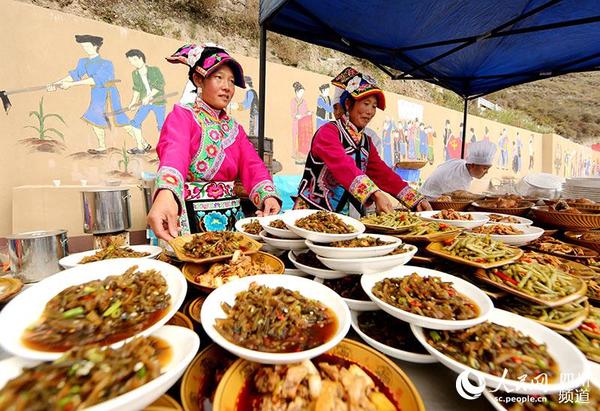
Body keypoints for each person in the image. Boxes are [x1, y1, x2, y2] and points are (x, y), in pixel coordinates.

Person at [147, 43, 281, 241]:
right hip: (189, 220)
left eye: (232, 81)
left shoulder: (235, 130)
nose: (227, 87)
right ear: (198, 79)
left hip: (232, 221)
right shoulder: (183, 116)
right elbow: (175, 152)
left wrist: (267, 196)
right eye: (219, 78)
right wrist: (167, 192)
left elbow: (252, 165)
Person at [294, 70, 431, 216]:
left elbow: (383, 174)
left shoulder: (366, 142)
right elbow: (343, 165)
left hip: (339, 219)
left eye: (374, 106)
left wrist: (415, 199)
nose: (370, 111)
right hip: (310, 214)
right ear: (348, 104)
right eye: (366, 103)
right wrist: (375, 193)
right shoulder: (328, 132)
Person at [48, 34, 130, 154]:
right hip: (96, 92)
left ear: (95, 46)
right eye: (83, 46)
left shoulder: (106, 63)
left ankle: (141, 143)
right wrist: (55, 84)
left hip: (109, 92)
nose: (85, 48)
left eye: (87, 46)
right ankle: (102, 146)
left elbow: (96, 79)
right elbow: (74, 75)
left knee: (119, 118)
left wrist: (71, 85)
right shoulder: (83, 62)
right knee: (95, 116)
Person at [419, 140, 497, 199]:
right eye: (485, 168)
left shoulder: (461, 164)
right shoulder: (458, 177)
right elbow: (456, 198)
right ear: (472, 165)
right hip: (429, 201)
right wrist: (484, 197)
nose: (486, 172)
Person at [124, 49, 166, 154]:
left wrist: (148, 96)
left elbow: (160, 85)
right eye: (130, 61)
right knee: (135, 123)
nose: (132, 63)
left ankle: (162, 150)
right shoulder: (135, 74)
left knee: (161, 126)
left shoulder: (154, 70)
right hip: (145, 103)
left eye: (134, 60)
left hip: (158, 101)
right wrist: (133, 102)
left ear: (140, 58)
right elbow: (137, 89)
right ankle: (140, 148)